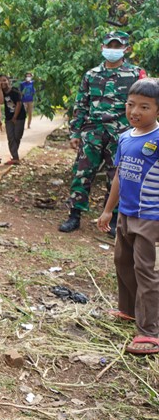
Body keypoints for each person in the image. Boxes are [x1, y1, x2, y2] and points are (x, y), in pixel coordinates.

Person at [59, 31, 145, 233]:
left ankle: (114, 219)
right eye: (110, 46)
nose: (112, 50)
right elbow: (81, 104)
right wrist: (75, 133)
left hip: (122, 133)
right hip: (93, 132)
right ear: (102, 47)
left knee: (116, 175)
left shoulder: (136, 74)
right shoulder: (91, 75)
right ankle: (74, 215)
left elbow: (144, 103)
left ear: (126, 49)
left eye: (117, 46)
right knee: (82, 173)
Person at [97, 78, 159, 355]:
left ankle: (150, 332)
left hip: (150, 217)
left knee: (146, 271)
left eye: (144, 107)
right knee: (122, 261)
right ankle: (129, 309)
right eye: (131, 105)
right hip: (126, 214)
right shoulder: (124, 137)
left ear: (157, 110)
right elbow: (120, 177)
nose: (135, 111)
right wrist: (109, 209)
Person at [0, 75, 26, 165]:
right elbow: (1, 102)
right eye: (0, 81)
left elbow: (19, 104)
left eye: (4, 80)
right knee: (11, 137)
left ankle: (14, 155)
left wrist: (15, 117)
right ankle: (15, 158)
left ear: (8, 81)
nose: (3, 82)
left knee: (17, 136)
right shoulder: (0, 92)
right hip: (8, 118)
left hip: (20, 117)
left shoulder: (15, 91)